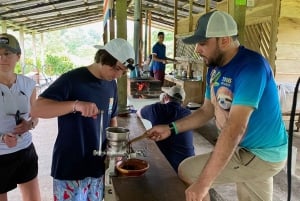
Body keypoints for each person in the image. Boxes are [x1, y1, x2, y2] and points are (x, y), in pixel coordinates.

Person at [147, 10, 287, 201]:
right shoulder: (215, 67)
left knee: (189, 172)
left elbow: (235, 128)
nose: (197, 49)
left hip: (261, 154)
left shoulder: (251, 67)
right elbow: (206, 111)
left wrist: (203, 184)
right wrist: (171, 128)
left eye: (203, 43)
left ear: (224, 41)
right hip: (247, 148)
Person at [31, 38, 135, 201]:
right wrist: (75, 105)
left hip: (97, 168)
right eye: (116, 69)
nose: (118, 75)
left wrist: (114, 149)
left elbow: (111, 119)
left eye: (123, 72)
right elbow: (37, 108)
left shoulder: (111, 85)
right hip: (70, 167)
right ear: (103, 58)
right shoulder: (72, 79)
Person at [0, 33, 40, 201]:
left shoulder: (28, 84)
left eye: (7, 53)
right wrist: (3, 138)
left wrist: (29, 125)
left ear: (18, 56)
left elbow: (36, 116)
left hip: (25, 150)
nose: (2, 58)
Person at [136, 86, 195, 172]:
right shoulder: (188, 113)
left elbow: (138, 112)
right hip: (188, 164)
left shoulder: (156, 108)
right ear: (182, 102)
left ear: (166, 97)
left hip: (165, 166)